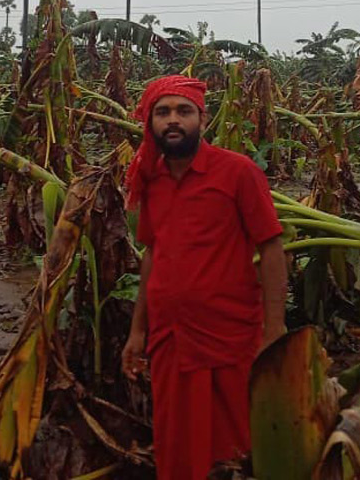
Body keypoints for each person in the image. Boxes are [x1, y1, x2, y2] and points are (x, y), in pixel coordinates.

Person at [121, 75, 287, 480]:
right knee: (175, 439)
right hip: (169, 336)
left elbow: (270, 248)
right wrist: (137, 331)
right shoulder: (151, 179)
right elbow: (152, 254)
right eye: (163, 112)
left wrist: (275, 328)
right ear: (150, 123)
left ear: (202, 118)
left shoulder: (238, 173)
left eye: (183, 111)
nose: (173, 120)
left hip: (228, 334)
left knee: (234, 444)